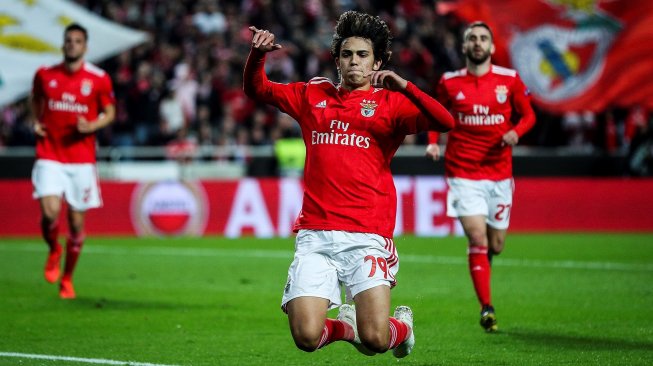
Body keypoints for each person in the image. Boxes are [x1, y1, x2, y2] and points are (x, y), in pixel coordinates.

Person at [244, 11, 453, 358]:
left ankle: (403, 328)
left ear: (378, 61)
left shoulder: (391, 104)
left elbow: (444, 121)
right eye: (346, 54)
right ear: (337, 59)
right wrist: (258, 55)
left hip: (367, 234)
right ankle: (347, 326)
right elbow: (257, 89)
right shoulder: (312, 95)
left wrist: (406, 87)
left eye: (362, 55)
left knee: (375, 340)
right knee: (306, 337)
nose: (353, 62)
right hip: (316, 233)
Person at [425, 21, 536, 332]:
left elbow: (529, 115)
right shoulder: (448, 82)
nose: (477, 42)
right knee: (477, 237)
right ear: (464, 47)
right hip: (462, 172)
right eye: (471, 38)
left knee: (495, 245)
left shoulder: (510, 80)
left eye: (483, 38)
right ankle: (487, 308)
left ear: (491, 47)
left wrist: (516, 131)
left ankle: (483, 264)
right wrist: (433, 143)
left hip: (500, 173)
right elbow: (435, 115)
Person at [30, 23, 116, 299]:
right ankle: (54, 248)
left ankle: (67, 278)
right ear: (62, 44)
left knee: (77, 224)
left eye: (77, 41)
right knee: (50, 212)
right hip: (50, 154)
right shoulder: (45, 74)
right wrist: (36, 120)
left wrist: (92, 125)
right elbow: (36, 99)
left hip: (81, 159)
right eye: (68, 40)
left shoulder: (99, 78)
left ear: (85, 47)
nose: (72, 45)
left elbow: (110, 112)